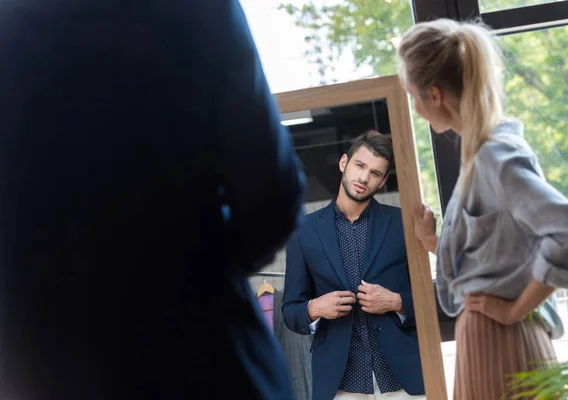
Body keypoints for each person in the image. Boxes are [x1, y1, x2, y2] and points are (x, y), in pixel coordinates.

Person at [0, 1, 304, 399]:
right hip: (203, 354)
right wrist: (199, 264)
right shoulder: (197, 10)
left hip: (40, 370)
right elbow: (271, 200)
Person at [397, 18, 568, 400]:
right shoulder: (483, 154)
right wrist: (432, 240)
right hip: (491, 339)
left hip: (500, 341)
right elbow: (496, 258)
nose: (417, 109)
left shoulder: (495, 155)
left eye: (413, 96)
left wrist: (513, 311)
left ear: (435, 94)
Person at [283, 131, 425, 400]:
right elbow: (290, 310)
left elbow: (432, 298)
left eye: (374, 172)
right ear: (343, 163)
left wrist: (397, 301)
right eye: (360, 166)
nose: (363, 178)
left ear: (383, 181)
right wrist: (315, 307)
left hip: (405, 380)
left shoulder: (402, 223)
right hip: (340, 384)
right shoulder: (303, 232)